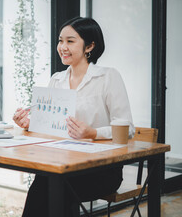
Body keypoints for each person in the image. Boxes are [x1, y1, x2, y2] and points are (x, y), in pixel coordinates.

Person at [13, 17, 134, 216]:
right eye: (61, 41)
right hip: (62, 161)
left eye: (70, 41)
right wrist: (29, 123)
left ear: (90, 45)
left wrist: (93, 132)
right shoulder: (57, 79)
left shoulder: (108, 77)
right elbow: (48, 125)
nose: (62, 47)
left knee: (52, 184)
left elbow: (128, 128)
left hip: (101, 168)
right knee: (48, 180)